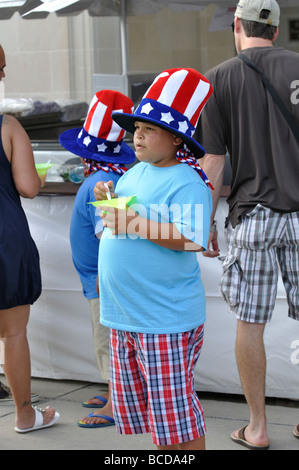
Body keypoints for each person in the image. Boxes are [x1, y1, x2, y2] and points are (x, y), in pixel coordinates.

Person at [196, 0, 299, 450]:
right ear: (275, 29)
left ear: (236, 25)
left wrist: (205, 224)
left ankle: (257, 428)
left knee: (250, 323)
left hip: (252, 216)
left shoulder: (218, 78)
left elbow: (213, 162)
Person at [93, 68, 213, 450]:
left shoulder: (188, 182)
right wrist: (110, 198)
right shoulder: (133, 173)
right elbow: (125, 225)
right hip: (126, 315)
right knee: (158, 421)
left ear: (176, 138)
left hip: (164, 318)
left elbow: (190, 241)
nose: (137, 135)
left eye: (150, 129)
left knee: (177, 420)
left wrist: (133, 221)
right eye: (136, 128)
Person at [59, 90, 136, 428]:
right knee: (108, 339)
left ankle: (115, 404)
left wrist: (104, 282)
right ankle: (113, 390)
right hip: (99, 280)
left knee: (109, 341)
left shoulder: (101, 184)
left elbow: (113, 239)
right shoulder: (106, 179)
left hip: (103, 281)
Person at [0, 45, 59, 433]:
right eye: (0, 67)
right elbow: (28, 187)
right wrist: (37, 177)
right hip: (5, 238)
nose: (3, 75)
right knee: (14, 333)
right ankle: (24, 415)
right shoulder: (7, 126)